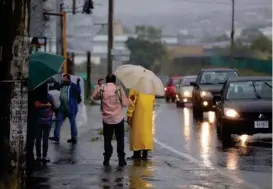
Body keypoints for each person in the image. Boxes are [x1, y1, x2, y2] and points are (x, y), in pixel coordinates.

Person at [92, 74, 129, 167]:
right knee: (120, 139)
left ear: (106, 81)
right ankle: (121, 160)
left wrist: (98, 86)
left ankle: (106, 159)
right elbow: (125, 103)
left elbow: (95, 97)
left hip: (107, 119)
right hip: (118, 118)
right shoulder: (119, 89)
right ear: (114, 81)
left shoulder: (102, 89)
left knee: (107, 140)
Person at [49, 74, 81, 144]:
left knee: (73, 124)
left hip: (71, 108)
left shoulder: (73, 86)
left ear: (69, 79)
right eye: (63, 78)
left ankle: (73, 138)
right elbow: (55, 87)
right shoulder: (62, 85)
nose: (63, 79)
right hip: (62, 108)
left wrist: (78, 83)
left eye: (64, 78)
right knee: (58, 121)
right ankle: (56, 137)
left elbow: (79, 91)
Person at [127, 89, 155, 160]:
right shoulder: (150, 89)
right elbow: (153, 101)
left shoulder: (135, 88)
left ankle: (137, 154)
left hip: (138, 114)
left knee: (137, 133)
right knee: (146, 133)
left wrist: (129, 114)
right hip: (147, 114)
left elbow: (132, 101)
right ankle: (145, 154)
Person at [34, 84, 56, 163]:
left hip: (39, 120)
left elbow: (36, 105)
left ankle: (38, 156)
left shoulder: (37, 96)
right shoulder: (50, 97)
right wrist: (47, 105)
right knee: (45, 139)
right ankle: (44, 157)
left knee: (38, 139)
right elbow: (54, 107)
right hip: (47, 121)